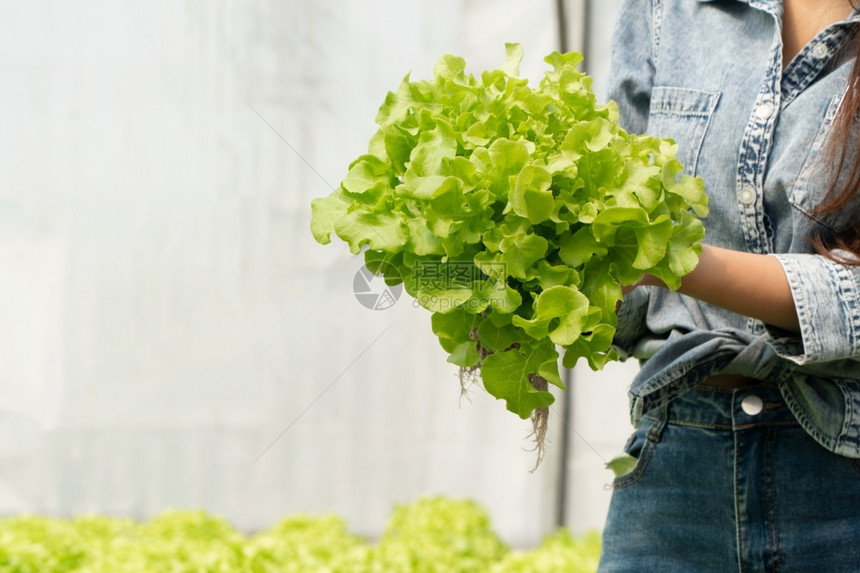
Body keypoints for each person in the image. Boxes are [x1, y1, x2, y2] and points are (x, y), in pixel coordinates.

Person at [600, 0, 860, 571]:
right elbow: (624, 271)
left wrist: (672, 258)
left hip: (843, 477)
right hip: (674, 465)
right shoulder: (668, 9)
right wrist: (540, 287)